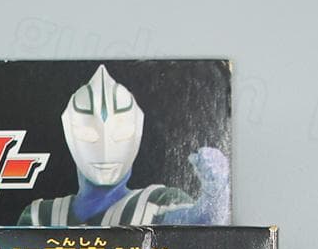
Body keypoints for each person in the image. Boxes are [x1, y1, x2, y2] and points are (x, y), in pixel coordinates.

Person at [17, 64, 227, 227]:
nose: (105, 150)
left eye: (120, 134)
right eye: (89, 135)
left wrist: (215, 193)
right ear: (71, 136)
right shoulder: (40, 216)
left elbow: (203, 225)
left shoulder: (157, 202)